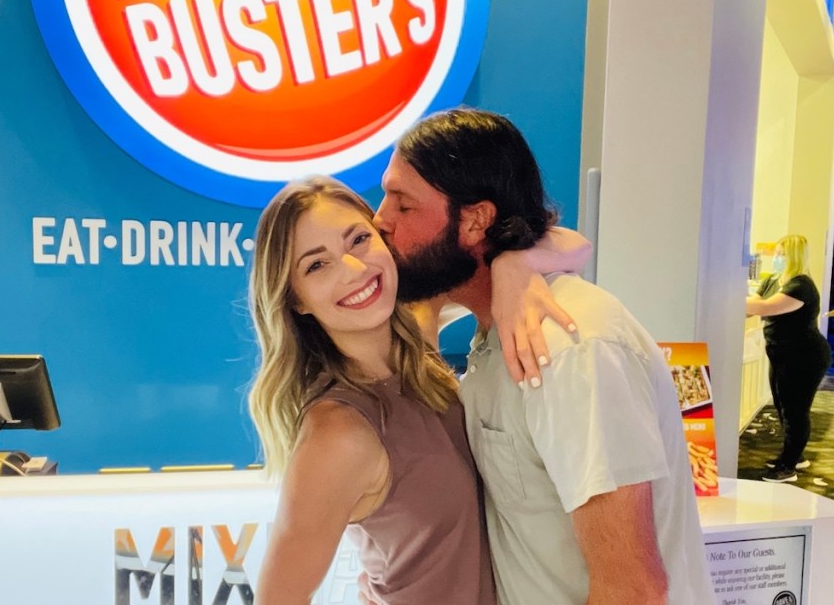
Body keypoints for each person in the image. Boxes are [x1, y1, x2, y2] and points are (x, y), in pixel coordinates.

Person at [373, 107, 715, 605]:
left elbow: (632, 589)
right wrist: (520, 259)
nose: (380, 220)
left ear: (473, 221)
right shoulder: (494, 331)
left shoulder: (571, 347)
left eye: (403, 206)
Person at [248, 176, 590, 605]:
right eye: (317, 265)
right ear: (295, 299)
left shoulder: (418, 330)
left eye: (357, 240)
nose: (353, 270)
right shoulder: (337, 433)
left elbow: (576, 245)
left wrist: (511, 266)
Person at [746, 235, 831, 483]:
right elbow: (755, 303)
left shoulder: (801, 285)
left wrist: (729, 297)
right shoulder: (774, 280)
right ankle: (796, 455)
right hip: (782, 354)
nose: (777, 258)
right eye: (777, 253)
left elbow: (765, 308)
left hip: (805, 357)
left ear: (794, 256)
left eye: (783, 254)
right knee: (783, 406)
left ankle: (788, 467)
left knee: (795, 411)